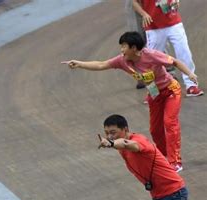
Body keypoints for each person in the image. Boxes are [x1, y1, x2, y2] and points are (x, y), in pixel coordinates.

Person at [63, 31, 199, 172]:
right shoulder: (122, 60)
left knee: (170, 122)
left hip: (170, 90)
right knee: (155, 130)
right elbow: (101, 65)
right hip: (154, 94)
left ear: (134, 48)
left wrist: (190, 74)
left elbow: (175, 62)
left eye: (124, 46)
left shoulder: (151, 55)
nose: (121, 50)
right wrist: (79, 64)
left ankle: (175, 161)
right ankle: (164, 157)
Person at [132, 0, 204, 97]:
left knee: (184, 52)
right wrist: (144, 14)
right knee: (150, 62)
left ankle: (191, 86)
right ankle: (153, 92)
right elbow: (134, 2)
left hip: (174, 23)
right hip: (153, 27)